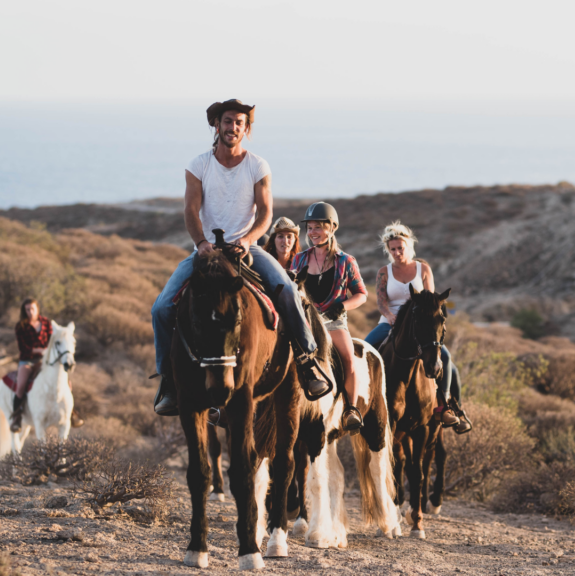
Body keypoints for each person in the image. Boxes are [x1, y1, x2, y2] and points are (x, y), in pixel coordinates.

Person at [151, 99, 331, 416]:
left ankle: (307, 361)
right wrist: (201, 242)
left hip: (248, 248)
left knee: (287, 291)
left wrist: (248, 240)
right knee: (162, 307)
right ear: (216, 126)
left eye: (239, 122)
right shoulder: (199, 165)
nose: (233, 127)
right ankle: (169, 382)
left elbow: (265, 213)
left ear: (246, 130)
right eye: (227, 121)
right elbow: (190, 210)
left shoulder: (258, 166)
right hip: (205, 252)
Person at [363, 222, 472, 432]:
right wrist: (390, 316)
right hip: (391, 322)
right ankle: (362, 403)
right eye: (392, 249)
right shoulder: (383, 273)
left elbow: (431, 301)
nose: (396, 252)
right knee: (366, 349)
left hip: (420, 324)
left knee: (446, 358)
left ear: (408, 246)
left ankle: (447, 407)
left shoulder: (423, 269)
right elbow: (381, 302)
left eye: (400, 248)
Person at [290, 203, 368, 432]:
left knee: (348, 359)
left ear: (332, 228)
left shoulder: (346, 261)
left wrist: (342, 306)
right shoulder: (299, 260)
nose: (312, 232)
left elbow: (362, 295)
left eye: (318, 228)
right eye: (310, 228)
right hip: (304, 322)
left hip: (333, 321)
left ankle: (351, 409)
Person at [11, 299, 84, 431]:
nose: (30, 312)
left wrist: (49, 353)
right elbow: (22, 347)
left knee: (65, 382)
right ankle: (16, 417)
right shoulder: (20, 326)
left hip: (46, 360)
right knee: (21, 385)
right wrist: (38, 350)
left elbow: (54, 341)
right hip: (27, 361)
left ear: (37, 309)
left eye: (32, 309)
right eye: (27, 309)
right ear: (24, 311)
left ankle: (71, 413)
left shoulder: (46, 323)